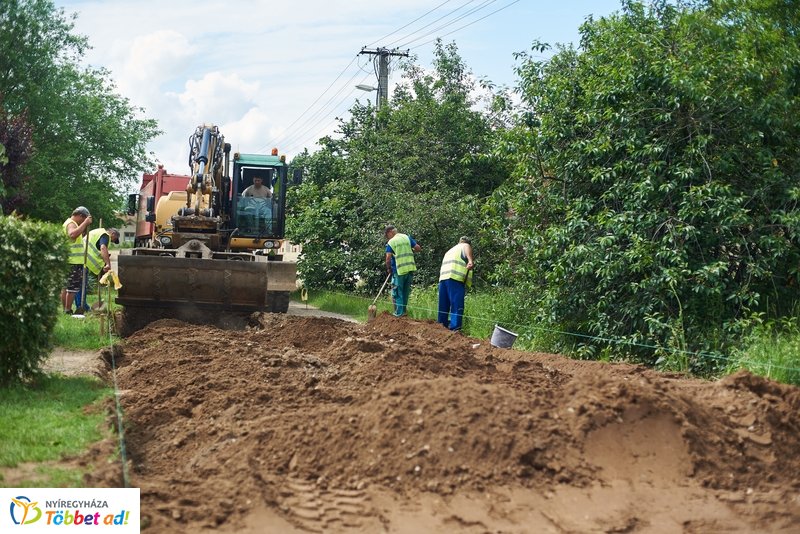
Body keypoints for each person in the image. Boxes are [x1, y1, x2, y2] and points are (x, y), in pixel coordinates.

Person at [76, 227, 120, 312]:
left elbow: (97, 248)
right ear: (113, 234)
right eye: (114, 240)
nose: (112, 241)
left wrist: (105, 256)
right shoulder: (105, 235)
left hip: (81, 256)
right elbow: (103, 248)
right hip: (84, 259)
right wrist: (108, 264)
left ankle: (82, 305)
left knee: (80, 284)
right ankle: (81, 306)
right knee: (81, 285)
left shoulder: (98, 232)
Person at [438, 236, 475, 331]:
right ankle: (455, 328)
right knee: (456, 304)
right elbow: (467, 248)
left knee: (443, 305)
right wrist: (470, 261)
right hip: (455, 278)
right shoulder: (465, 245)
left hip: (443, 278)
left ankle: (441, 326)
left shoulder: (450, 250)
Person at [61, 206, 93, 314]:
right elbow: (72, 235)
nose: (83, 222)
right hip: (73, 261)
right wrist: (85, 224)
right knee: (72, 288)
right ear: (80, 216)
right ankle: (68, 310)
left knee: (66, 287)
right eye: (83, 220)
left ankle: (66, 310)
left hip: (69, 260)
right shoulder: (71, 223)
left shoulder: (68, 222)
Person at [384, 225, 421, 317]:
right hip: (410, 269)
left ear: (390, 232)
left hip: (399, 270)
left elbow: (388, 258)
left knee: (397, 292)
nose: (387, 237)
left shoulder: (392, 241)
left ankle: (399, 313)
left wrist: (389, 268)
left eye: (387, 235)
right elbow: (418, 248)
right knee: (405, 292)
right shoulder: (406, 237)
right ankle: (403, 312)